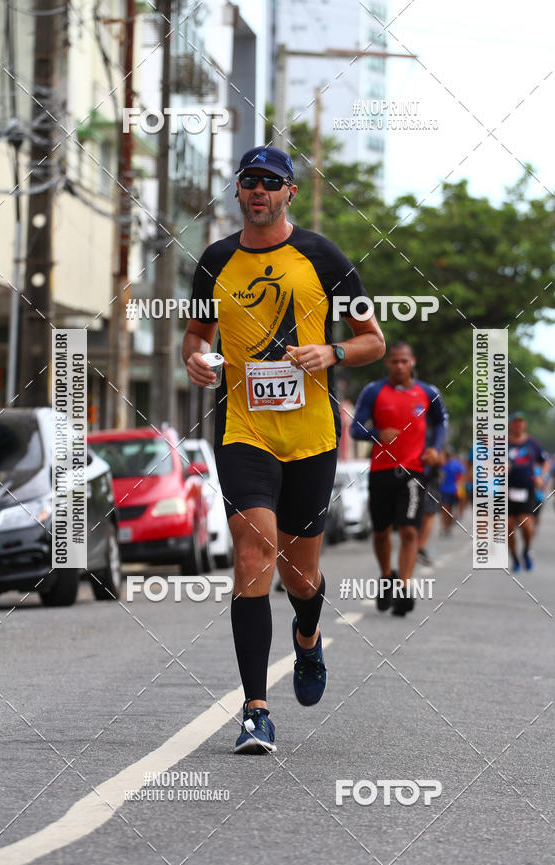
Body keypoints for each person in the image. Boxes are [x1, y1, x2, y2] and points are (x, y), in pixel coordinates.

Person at [182, 146, 385, 754]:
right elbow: (195, 334)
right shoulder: (216, 260)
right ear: (238, 192)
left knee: (301, 573)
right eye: (249, 182)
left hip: (313, 438)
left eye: (271, 182)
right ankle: (254, 710)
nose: (259, 191)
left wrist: (333, 353)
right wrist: (194, 358)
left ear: (289, 192)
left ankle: (308, 634)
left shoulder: (323, 257)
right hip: (245, 431)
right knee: (254, 553)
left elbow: (374, 340)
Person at [350, 341, 447, 616]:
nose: (400, 366)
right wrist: (376, 433)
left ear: (412, 361)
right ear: (387, 363)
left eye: (404, 361)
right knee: (381, 532)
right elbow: (356, 427)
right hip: (381, 472)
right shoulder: (373, 391)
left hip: (413, 471)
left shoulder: (428, 392)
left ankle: (404, 588)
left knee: (408, 530)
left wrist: (435, 449)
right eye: (394, 361)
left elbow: (440, 423)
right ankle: (386, 576)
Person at [507, 412, 549, 571]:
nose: (518, 425)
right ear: (511, 425)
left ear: (524, 425)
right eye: (515, 422)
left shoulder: (532, 444)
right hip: (506, 490)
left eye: (521, 422)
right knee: (508, 527)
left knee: (526, 525)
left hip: (527, 489)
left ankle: (526, 551)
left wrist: (541, 478)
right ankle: (515, 558)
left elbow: (545, 462)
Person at [417, 462, 441, 567]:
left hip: (418, 476)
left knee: (427, 514)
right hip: (425, 479)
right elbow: (439, 459)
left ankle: (418, 546)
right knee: (429, 514)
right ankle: (419, 547)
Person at [438, 448, 465, 537]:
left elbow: (462, 474)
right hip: (444, 490)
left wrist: (460, 485)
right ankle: (444, 526)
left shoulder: (455, 464)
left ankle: (448, 527)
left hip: (454, 490)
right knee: (445, 508)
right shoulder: (442, 463)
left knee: (450, 509)